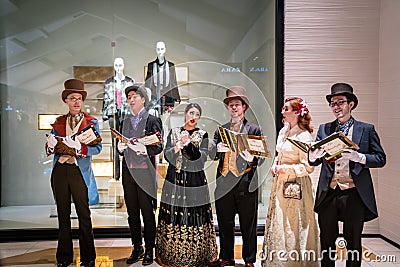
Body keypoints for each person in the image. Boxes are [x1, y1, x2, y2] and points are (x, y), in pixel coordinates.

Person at [308, 83, 386, 267]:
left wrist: (359, 157)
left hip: (353, 193)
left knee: (353, 241)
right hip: (329, 192)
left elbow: (381, 158)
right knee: (327, 240)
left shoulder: (366, 129)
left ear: (351, 104)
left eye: (340, 102)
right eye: (333, 103)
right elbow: (315, 160)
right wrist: (312, 155)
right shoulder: (324, 129)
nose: (336, 107)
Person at [45, 79, 102, 267]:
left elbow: (98, 148)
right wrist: (50, 145)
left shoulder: (91, 122)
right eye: (72, 98)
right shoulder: (58, 122)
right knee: (63, 216)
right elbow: (49, 147)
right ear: (66, 101)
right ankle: (63, 258)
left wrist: (81, 148)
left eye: (79, 98)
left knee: (84, 216)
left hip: (80, 172)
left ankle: (88, 258)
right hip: (60, 171)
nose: (76, 102)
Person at [156, 103, 218, 267]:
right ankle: (170, 253)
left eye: (197, 114)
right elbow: (167, 155)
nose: (193, 117)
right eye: (191, 113)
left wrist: (189, 145)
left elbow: (201, 159)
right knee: (174, 213)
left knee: (193, 214)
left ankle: (196, 254)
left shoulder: (203, 134)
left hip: (194, 180)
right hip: (174, 180)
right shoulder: (174, 132)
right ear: (185, 114)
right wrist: (178, 146)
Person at [210, 86, 264, 267]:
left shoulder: (254, 129)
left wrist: (252, 158)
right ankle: (226, 257)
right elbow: (212, 154)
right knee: (225, 223)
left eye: (237, 104)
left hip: (246, 182)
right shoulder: (221, 130)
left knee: (248, 224)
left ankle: (249, 259)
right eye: (231, 105)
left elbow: (261, 158)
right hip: (224, 181)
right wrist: (216, 149)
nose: (234, 107)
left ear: (244, 107)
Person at [261, 97, 319, 266]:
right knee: (280, 223)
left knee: (294, 225)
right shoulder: (284, 130)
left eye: (286, 109)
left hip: (296, 186)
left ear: (296, 113)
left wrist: (284, 169)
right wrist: (275, 165)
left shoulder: (304, 135)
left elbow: (307, 167)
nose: (282, 112)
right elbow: (280, 155)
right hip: (280, 184)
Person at [117, 84, 163, 266]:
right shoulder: (125, 121)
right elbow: (121, 142)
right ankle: (137, 247)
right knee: (132, 213)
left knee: (147, 212)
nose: (131, 99)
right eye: (129, 96)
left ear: (143, 99)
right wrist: (120, 149)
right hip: (128, 172)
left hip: (145, 172)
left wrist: (145, 149)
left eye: (135, 96)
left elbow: (158, 145)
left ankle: (150, 248)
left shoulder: (152, 120)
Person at [102, 57, 135, 180]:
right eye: (116, 65)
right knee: (114, 143)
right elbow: (106, 98)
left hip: (127, 113)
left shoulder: (130, 81)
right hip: (113, 113)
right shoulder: (109, 82)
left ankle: (128, 171)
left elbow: (133, 98)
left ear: (124, 65)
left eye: (121, 65)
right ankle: (116, 174)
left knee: (127, 140)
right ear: (114, 66)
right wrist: (104, 114)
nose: (119, 68)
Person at [145, 41, 180, 115]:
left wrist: (177, 98)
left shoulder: (170, 65)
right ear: (155, 50)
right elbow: (148, 83)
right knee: (155, 120)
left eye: (162, 49)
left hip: (167, 98)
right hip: (154, 98)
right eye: (158, 49)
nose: (160, 51)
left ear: (165, 50)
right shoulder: (151, 65)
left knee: (166, 122)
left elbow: (173, 83)